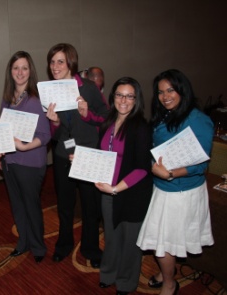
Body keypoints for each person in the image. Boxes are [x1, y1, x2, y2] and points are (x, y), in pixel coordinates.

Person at [136, 69, 214, 295]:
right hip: (161, 187)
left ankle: (169, 283)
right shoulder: (163, 115)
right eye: (160, 92)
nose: (165, 96)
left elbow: (201, 165)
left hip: (181, 192)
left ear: (182, 90)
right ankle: (167, 274)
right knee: (163, 240)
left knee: (163, 245)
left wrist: (170, 174)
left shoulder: (199, 120)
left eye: (170, 90)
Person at [78, 77, 152, 294]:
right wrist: (82, 160)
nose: (124, 100)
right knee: (111, 236)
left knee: (130, 242)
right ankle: (108, 273)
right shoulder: (109, 121)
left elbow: (142, 168)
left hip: (131, 192)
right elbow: (104, 154)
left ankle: (126, 282)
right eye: (120, 95)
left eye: (130, 96)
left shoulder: (140, 127)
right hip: (108, 191)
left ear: (136, 99)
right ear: (113, 97)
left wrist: (117, 188)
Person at [46, 43, 108, 267]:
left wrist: (87, 114)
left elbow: (106, 118)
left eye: (60, 61)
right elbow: (54, 132)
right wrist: (54, 122)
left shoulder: (89, 88)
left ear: (71, 63)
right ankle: (64, 244)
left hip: (88, 153)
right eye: (52, 62)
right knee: (64, 204)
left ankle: (91, 248)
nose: (55, 66)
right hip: (63, 153)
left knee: (91, 205)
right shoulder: (50, 90)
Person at [0, 51, 51, 263]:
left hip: (30, 163)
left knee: (31, 206)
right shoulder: (7, 99)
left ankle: (38, 247)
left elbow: (45, 135)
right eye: (16, 68)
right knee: (17, 205)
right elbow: (2, 129)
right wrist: (1, 156)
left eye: (24, 68)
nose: (20, 72)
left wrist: (23, 146)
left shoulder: (36, 100)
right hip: (10, 161)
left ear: (31, 72)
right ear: (10, 72)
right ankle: (23, 242)